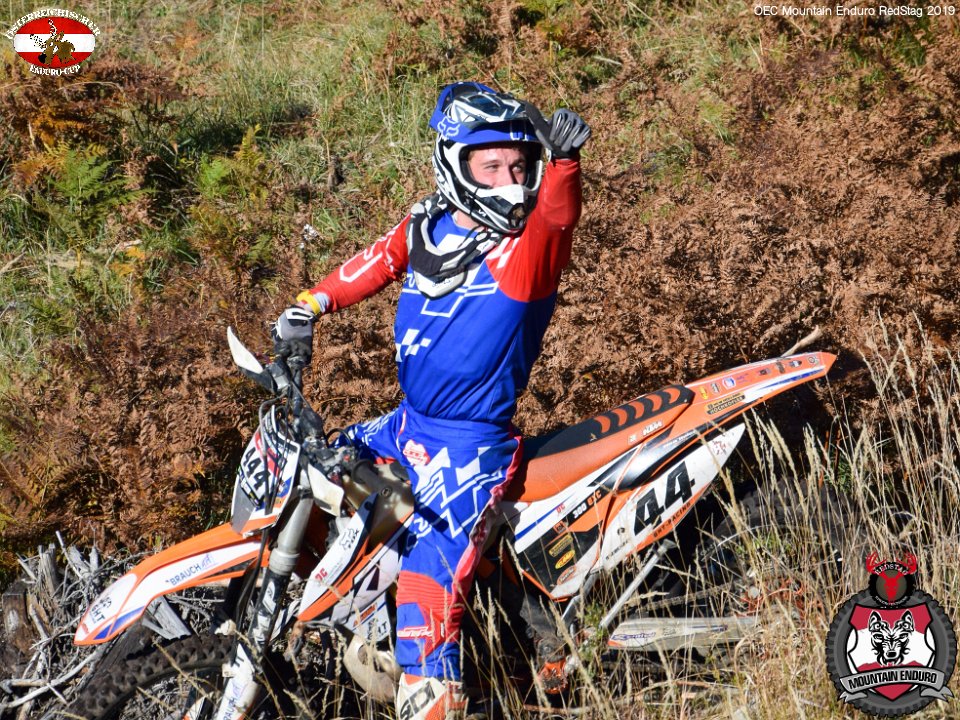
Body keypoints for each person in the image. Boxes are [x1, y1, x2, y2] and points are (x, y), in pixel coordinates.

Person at [272, 81, 590, 720]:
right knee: (320, 468)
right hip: (409, 424)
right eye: (491, 166)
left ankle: (436, 691)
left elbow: (558, 217)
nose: (509, 181)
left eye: (519, 167)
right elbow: (378, 259)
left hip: (472, 445)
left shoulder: (527, 250)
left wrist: (562, 166)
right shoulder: (429, 226)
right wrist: (309, 306)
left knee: (427, 587)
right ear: (454, 163)